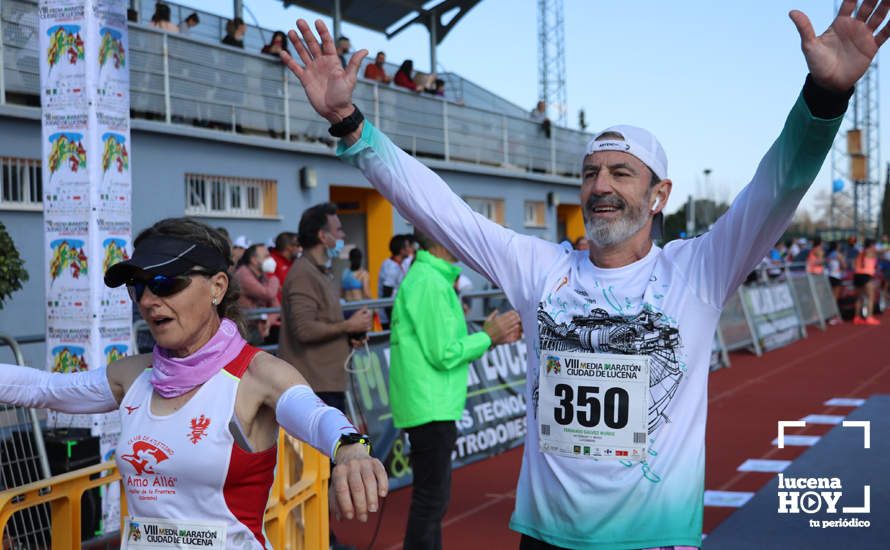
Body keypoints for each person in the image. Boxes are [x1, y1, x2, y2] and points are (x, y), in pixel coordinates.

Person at [280, 5, 889, 547]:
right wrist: (353, 128)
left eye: (622, 173)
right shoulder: (540, 269)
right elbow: (438, 208)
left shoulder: (699, 270)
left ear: (659, 195)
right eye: (591, 172)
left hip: (653, 537)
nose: (601, 186)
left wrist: (823, 99)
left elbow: (775, 189)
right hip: (544, 538)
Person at [0, 218, 386, 547]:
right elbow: (42, 389)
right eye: (140, 285)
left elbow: (317, 416)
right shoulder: (132, 375)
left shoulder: (257, 374)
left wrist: (351, 447)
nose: (149, 300)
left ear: (217, 287)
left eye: (167, 282)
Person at [390, 230, 521, 550]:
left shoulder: (431, 279)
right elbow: (444, 353)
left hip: (432, 403)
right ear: (439, 239)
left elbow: (443, 346)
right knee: (431, 501)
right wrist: (488, 336)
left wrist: (488, 337)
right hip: (430, 405)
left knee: (433, 501)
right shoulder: (429, 282)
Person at [278, 202, 373, 415]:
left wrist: (350, 333)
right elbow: (304, 330)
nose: (343, 234)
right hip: (315, 387)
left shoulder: (319, 271)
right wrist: (349, 325)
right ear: (323, 236)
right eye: (338, 230)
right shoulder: (304, 274)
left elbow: (323, 322)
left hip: (326, 384)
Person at [235, 244, 281, 344]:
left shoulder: (262, 275)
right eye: (266, 256)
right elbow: (268, 294)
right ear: (254, 260)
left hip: (258, 325)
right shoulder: (243, 274)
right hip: (246, 328)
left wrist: (268, 322)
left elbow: (276, 305)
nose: (270, 259)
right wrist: (274, 278)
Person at [379, 234, 413, 329]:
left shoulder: (400, 264)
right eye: (407, 246)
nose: (410, 249)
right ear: (401, 250)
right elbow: (387, 294)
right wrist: (392, 321)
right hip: (390, 317)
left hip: (397, 313)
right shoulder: (391, 268)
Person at [853, 237, 880, 325]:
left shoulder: (860, 253)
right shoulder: (871, 252)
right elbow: (881, 252)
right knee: (870, 297)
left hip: (857, 275)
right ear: (871, 245)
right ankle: (869, 317)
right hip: (866, 275)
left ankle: (857, 317)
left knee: (859, 297)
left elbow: (854, 263)